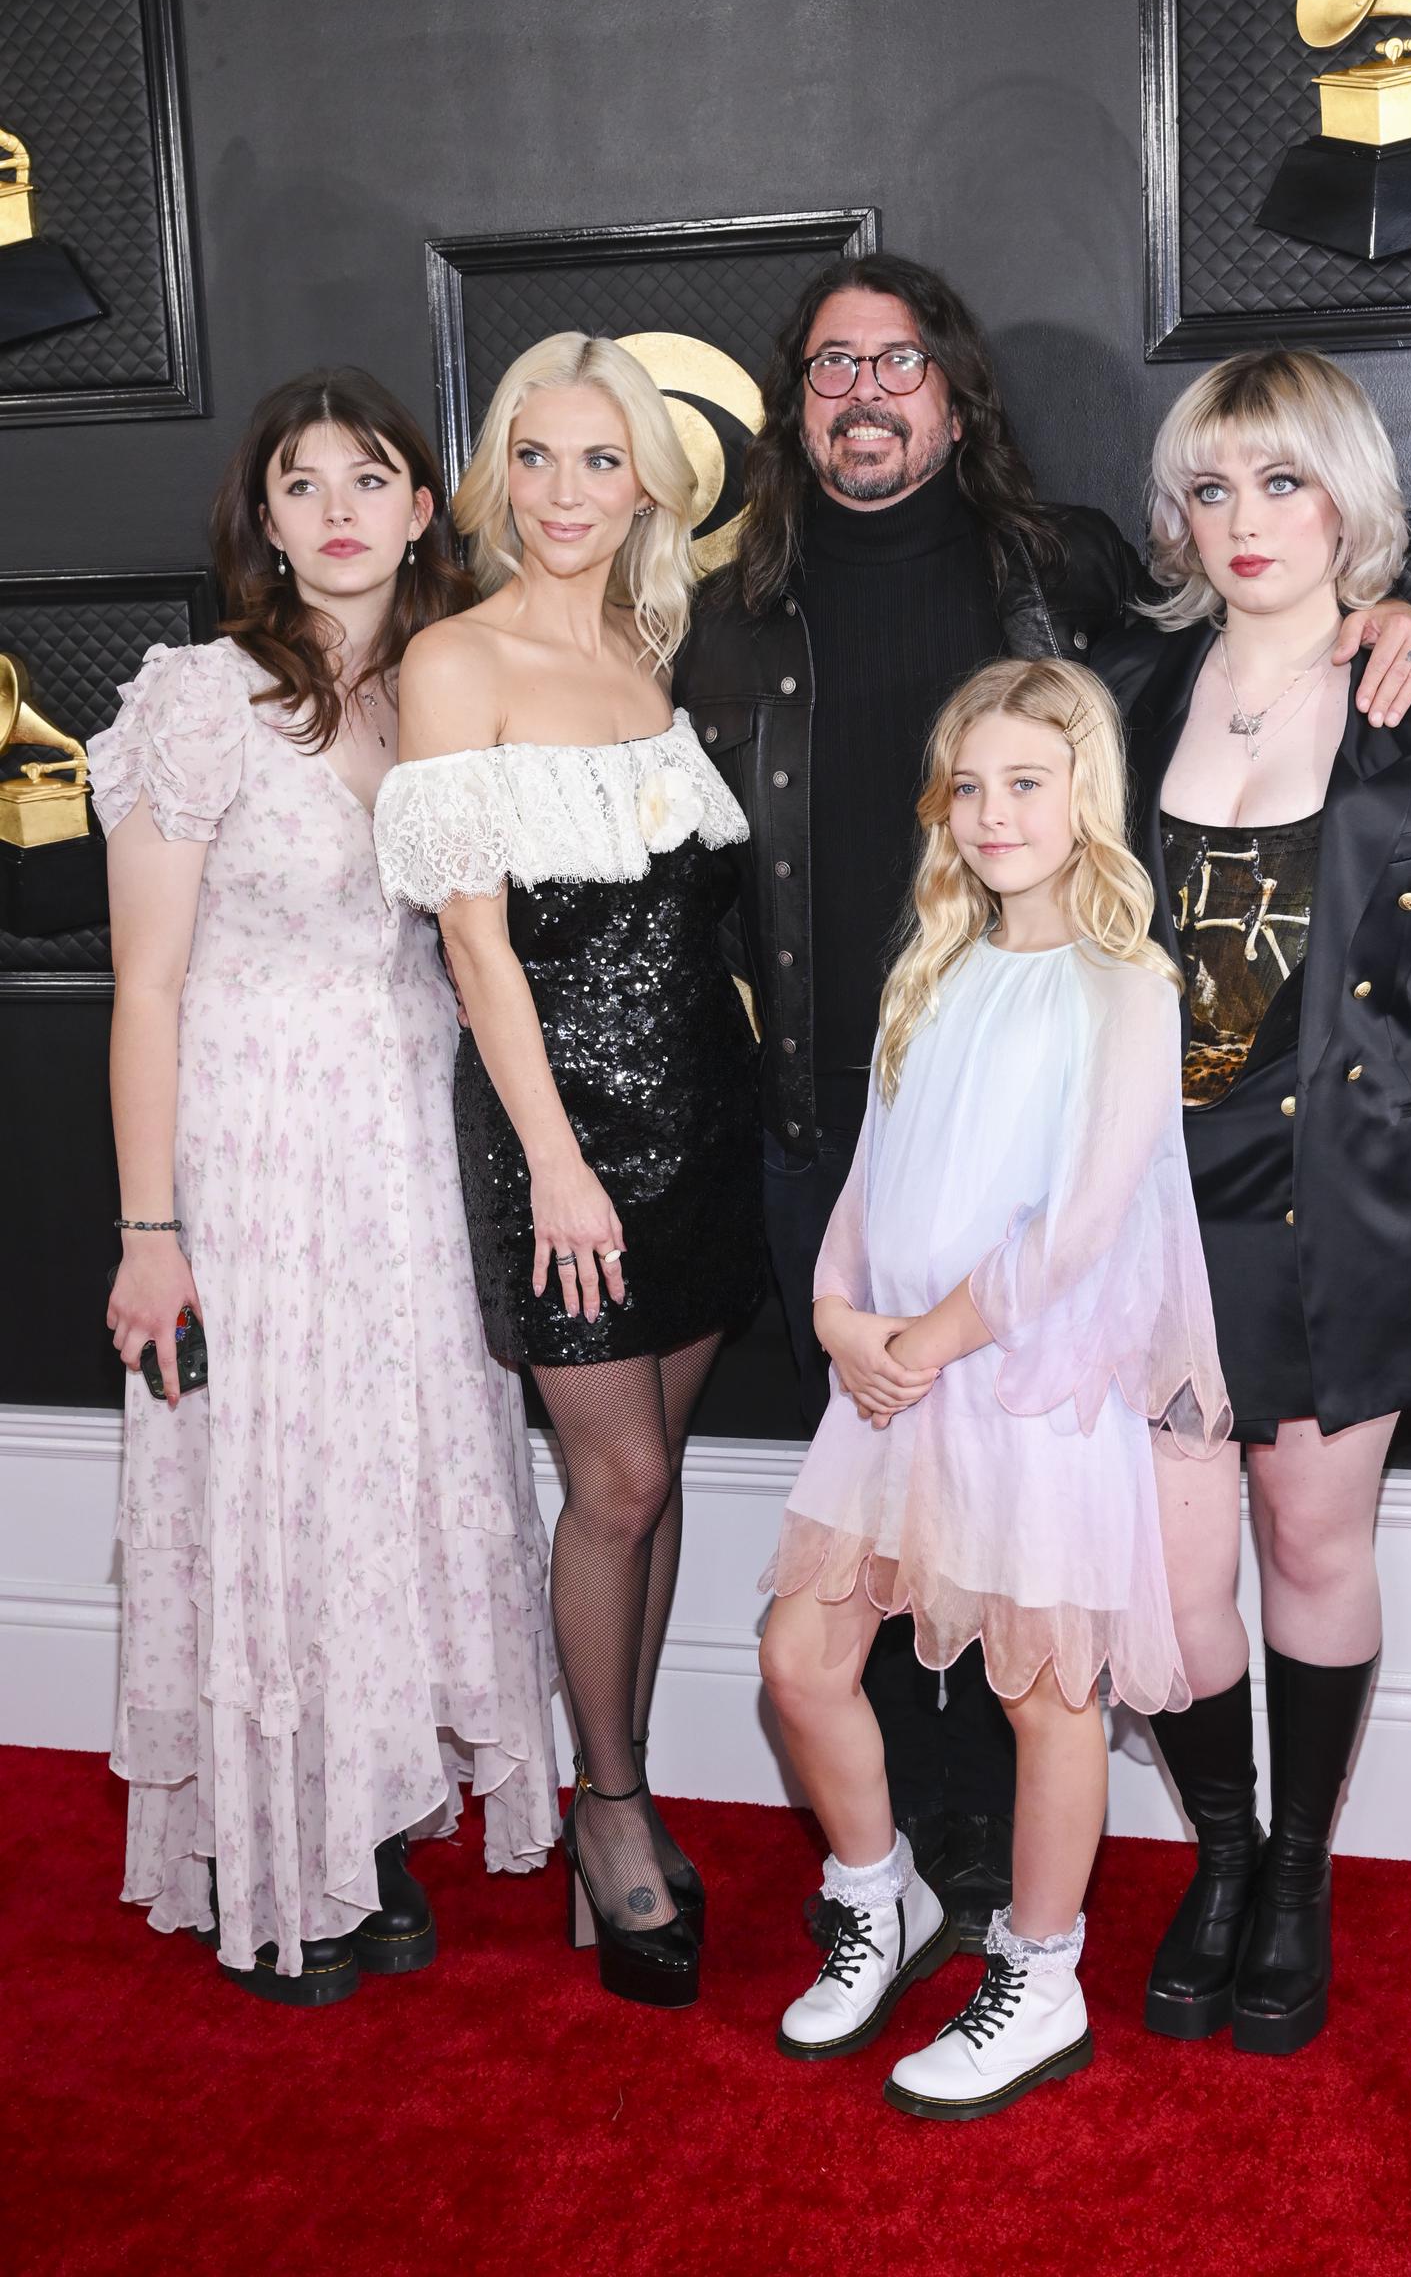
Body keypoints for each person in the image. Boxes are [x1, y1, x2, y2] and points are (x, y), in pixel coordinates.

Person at [675, 249, 1411, 1937]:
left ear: (955, 392)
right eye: (829, 366)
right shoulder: (746, 615)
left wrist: (1388, 615)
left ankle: (1167, 1880)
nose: (864, 391)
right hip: (937, 1135)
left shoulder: (1072, 580)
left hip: (1196, 1180)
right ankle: (986, 1867)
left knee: (1169, 1540)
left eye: (898, 362)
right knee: (1006, 1555)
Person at [92, 368, 559, 2007]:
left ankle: (358, 1818)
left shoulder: (449, 688)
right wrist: (153, 1234)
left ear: (426, 508)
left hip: (410, 1156)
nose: (342, 509)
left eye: (373, 479)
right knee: (273, 1490)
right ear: (265, 522)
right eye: (305, 485)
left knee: (387, 1484)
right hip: (251, 1153)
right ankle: (274, 1855)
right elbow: (143, 988)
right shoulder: (198, 702)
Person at [1094, 347, 1411, 2055]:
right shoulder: (1116, 693)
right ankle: (1222, 1850)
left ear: (1348, 498)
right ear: (1175, 518)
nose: (1246, 520)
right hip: (1151, 1201)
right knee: (1185, 1576)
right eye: (1212, 486)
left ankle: (1301, 1873)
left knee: (1310, 1540)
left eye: (1283, 482)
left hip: (1352, 1189)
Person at [759, 655, 1228, 2120]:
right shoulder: (936, 967)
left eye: (1026, 782)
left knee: (1046, 1697)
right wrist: (841, 1315)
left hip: (1025, 1390)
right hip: (891, 1383)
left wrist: (932, 1337)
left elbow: (1083, 1227)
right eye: (969, 787)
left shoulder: (1126, 988)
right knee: (799, 1657)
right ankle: (877, 1893)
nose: (991, 813)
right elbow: (872, 1176)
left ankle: (1041, 1970)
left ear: (1087, 794)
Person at [374, 333, 764, 2010]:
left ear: (652, 488)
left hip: (701, 1117)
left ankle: (632, 1765)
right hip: (566, 1139)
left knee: (656, 1476)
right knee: (612, 1486)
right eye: (536, 459)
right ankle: (606, 1813)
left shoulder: (649, 649)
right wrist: (555, 1166)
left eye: (602, 463)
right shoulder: (455, 662)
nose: (566, 496)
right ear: (495, 475)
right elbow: (477, 949)